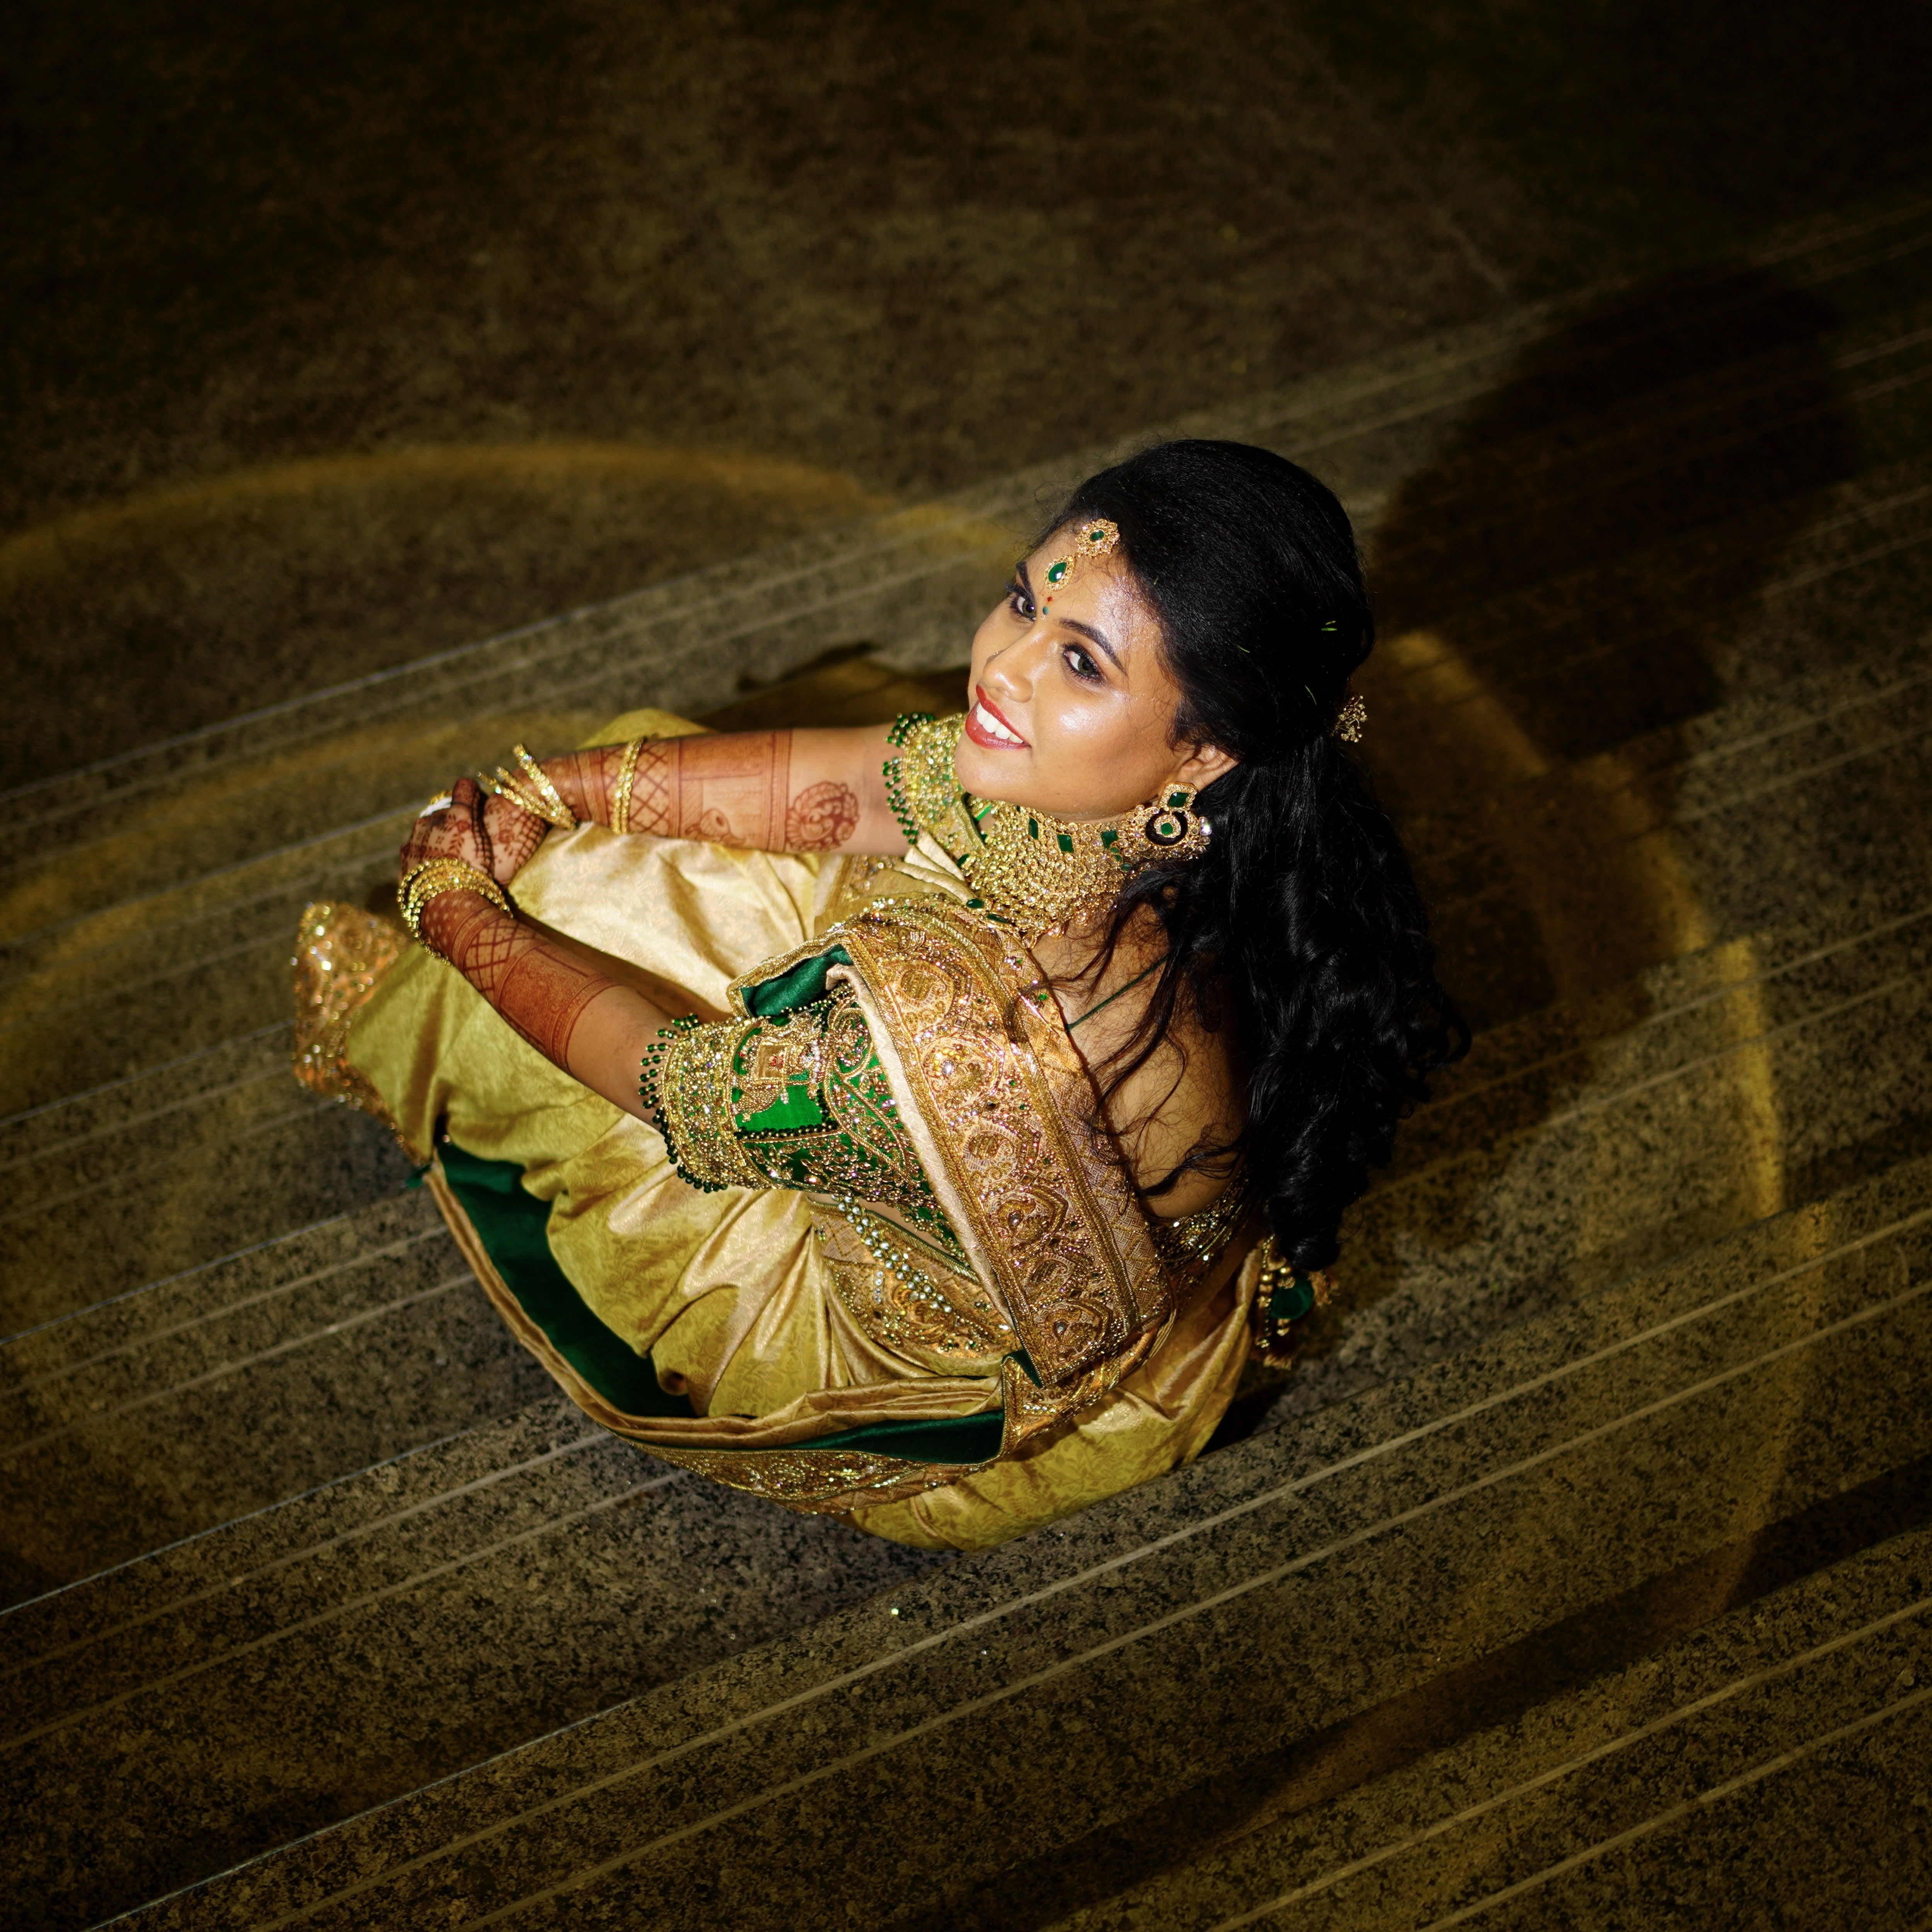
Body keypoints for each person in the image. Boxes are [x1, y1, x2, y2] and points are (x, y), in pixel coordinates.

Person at [291, 439, 1464, 1551]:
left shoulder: (1002, 1041)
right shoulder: (1151, 815)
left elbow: (675, 1089)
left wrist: (458, 912)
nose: (1005, 668)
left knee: (564, 919)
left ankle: (398, 1036)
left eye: (1081, 663)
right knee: (627, 790)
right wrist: (553, 791)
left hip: (910, 1361)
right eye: (1023, 600)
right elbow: (860, 785)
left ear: (1203, 750)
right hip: (913, 1120)